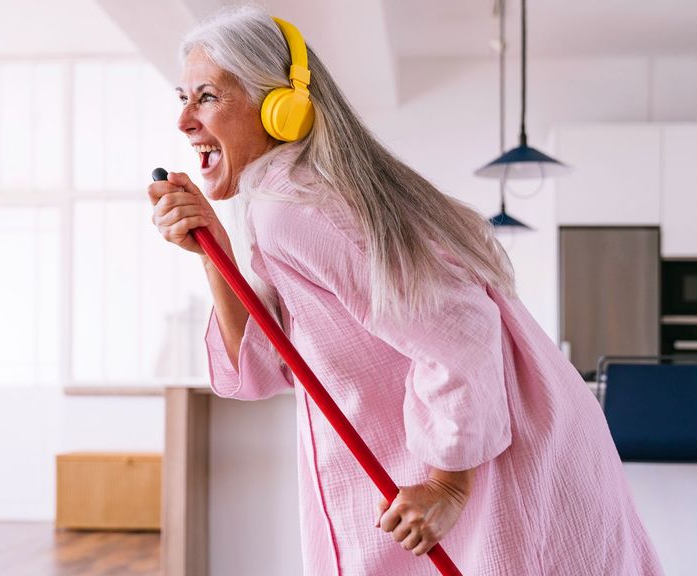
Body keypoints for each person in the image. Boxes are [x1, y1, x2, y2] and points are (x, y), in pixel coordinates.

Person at [148, 7, 663, 575]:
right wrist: (214, 252)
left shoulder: (298, 208)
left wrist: (448, 484)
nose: (185, 121)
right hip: (519, 456)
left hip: (498, 473)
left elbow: (458, 328)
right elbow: (264, 364)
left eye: (208, 97)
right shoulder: (286, 203)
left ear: (279, 106)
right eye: (183, 98)